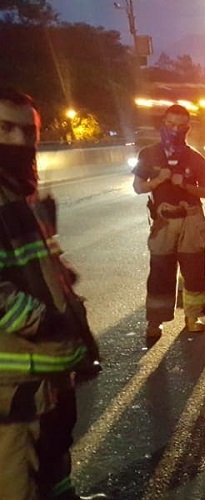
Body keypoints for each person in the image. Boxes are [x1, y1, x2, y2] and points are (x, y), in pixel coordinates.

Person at [0, 88, 107, 499]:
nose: (17, 140)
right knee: (17, 480)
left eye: (27, 131)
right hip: (11, 383)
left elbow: (36, 265)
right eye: (5, 128)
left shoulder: (20, 191)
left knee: (54, 456)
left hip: (45, 368)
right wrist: (42, 320)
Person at [132, 104, 205, 340]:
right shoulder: (148, 154)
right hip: (164, 223)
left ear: (187, 128)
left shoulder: (195, 157)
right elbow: (138, 187)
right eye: (170, 124)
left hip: (191, 221)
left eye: (180, 126)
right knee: (160, 273)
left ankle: (194, 316)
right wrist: (158, 180)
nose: (175, 130)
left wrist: (186, 186)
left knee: (194, 271)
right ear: (163, 124)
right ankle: (155, 321)